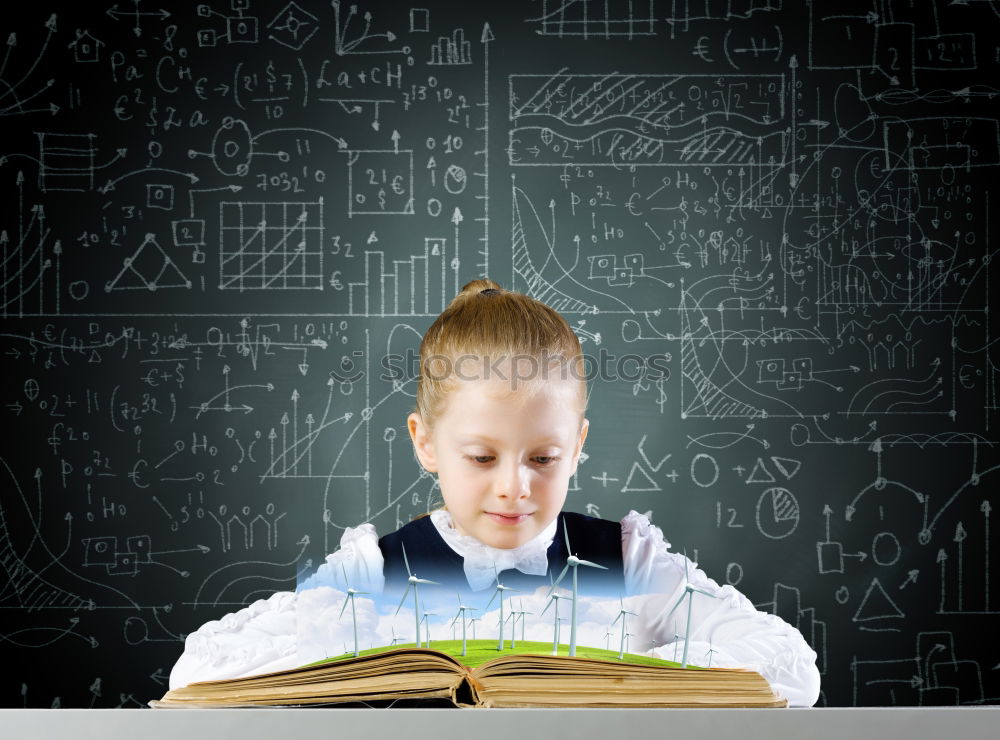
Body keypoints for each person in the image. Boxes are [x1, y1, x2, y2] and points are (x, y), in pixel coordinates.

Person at [168, 279, 821, 706]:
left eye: (544, 457)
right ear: (425, 443)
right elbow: (199, 674)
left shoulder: (629, 562)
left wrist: (627, 670)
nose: (515, 486)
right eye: (481, 456)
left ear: (579, 440)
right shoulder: (375, 570)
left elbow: (790, 669)